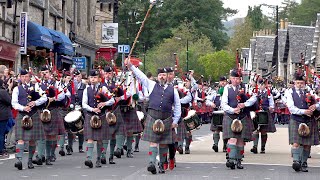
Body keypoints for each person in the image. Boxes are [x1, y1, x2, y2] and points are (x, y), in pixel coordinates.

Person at [126, 59, 181, 174]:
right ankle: (151, 163)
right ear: (157, 76)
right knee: (153, 142)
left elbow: (177, 106)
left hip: (166, 118)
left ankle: (161, 164)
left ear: (167, 77)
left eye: (164, 75)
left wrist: (175, 120)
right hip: (152, 116)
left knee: (164, 143)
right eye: (160, 75)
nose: (161, 77)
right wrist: (131, 66)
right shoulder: (151, 84)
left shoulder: (173, 90)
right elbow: (141, 76)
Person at [221, 69, 257, 170]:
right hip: (230, 116)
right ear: (230, 78)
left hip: (243, 116)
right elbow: (223, 103)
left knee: (240, 140)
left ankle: (239, 160)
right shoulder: (226, 89)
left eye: (237, 78)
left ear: (240, 79)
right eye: (233, 78)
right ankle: (231, 159)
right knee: (232, 138)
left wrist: (244, 104)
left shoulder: (246, 87)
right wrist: (232, 110)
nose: (235, 80)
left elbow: (254, 98)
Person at [12, 69, 47, 170]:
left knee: (32, 140)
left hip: (34, 114)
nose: (24, 78)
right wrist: (23, 108)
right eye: (22, 76)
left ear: (29, 77)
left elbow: (44, 98)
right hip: (22, 114)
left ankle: (30, 160)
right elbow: (14, 103)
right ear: (20, 77)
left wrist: (35, 103)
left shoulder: (36, 87)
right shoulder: (17, 89)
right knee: (21, 139)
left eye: (26, 76)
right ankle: (19, 160)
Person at [285, 72, 319, 172]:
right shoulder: (289, 92)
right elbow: (291, 108)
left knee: (307, 144)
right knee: (296, 143)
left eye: (302, 83)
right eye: (298, 83)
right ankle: (296, 161)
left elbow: (318, 101)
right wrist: (304, 111)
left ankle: (304, 162)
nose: (300, 85)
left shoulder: (310, 92)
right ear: (295, 83)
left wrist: (315, 106)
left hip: (309, 120)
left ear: (304, 83)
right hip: (296, 119)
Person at [82, 69, 113, 168]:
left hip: (101, 116)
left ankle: (99, 159)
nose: (93, 79)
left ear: (99, 79)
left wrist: (105, 103)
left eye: (95, 77)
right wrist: (92, 109)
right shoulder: (86, 89)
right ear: (89, 79)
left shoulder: (103, 88)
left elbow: (112, 100)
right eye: (91, 77)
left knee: (100, 139)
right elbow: (84, 104)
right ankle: (89, 158)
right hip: (90, 115)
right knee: (90, 138)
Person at [250, 78, 276, 154]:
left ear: (265, 85)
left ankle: (262, 148)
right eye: (260, 84)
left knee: (264, 131)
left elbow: (272, 104)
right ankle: (255, 147)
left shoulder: (269, 94)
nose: (261, 86)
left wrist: (271, 108)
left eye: (263, 84)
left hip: (265, 113)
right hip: (256, 112)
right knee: (255, 130)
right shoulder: (255, 92)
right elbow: (251, 101)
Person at [0, 79, 12, 158]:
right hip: (2, 115)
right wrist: (9, 89)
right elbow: (9, 101)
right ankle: (1, 149)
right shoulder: (2, 92)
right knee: (1, 133)